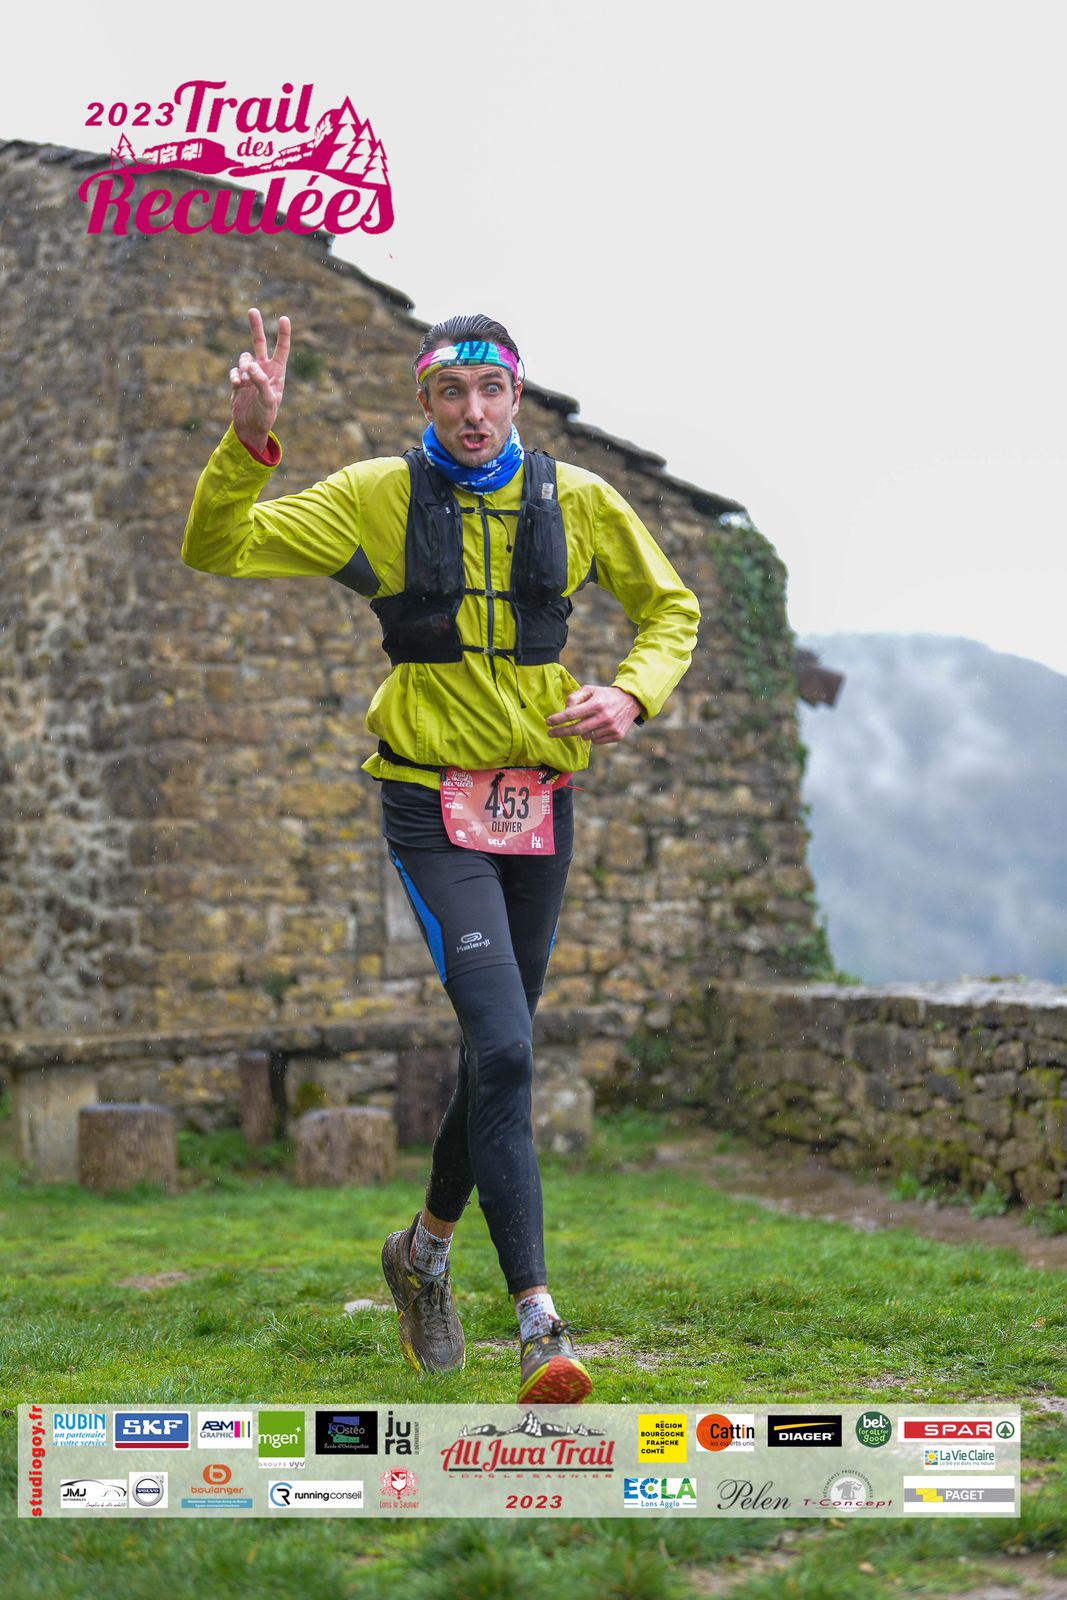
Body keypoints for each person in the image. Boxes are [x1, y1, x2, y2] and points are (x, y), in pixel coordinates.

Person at [182, 307, 700, 1403]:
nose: (472, 412)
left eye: (490, 390)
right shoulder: (375, 495)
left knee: (495, 1054)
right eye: (450, 393)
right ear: (423, 400)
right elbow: (217, 546)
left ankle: (419, 1253)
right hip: (428, 802)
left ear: (516, 396)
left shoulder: (577, 499)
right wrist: (249, 441)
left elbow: (671, 607)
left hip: (537, 805)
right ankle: (539, 1323)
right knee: (506, 1046)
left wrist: (631, 692)